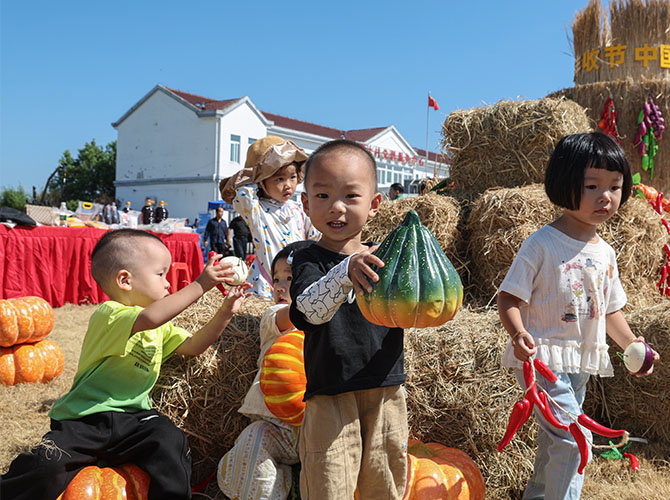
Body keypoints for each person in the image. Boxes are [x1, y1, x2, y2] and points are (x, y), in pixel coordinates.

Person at [0, 228, 249, 500]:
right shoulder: (112, 314)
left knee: (169, 441)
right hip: (85, 419)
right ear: (125, 280)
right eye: (160, 274)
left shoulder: (161, 328)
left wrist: (225, 312)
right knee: (47, 465)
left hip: (135, 421)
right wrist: (201, 284)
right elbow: (150, 318)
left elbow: (195, 346)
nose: (168, 283)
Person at [496, 132, 659, 500]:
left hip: (582, 361)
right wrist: (518, 332)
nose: (606, 196)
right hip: (546, 361)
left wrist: (632, 344)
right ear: (564, 184)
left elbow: (609, 311)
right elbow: (508, 296)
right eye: (592, 186)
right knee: (574, 439)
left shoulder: (607, 253)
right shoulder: (542, 243)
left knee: (557, 444)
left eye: (615, 187)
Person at [289, 139, 408, 499]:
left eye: (351, 197)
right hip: (330, 392)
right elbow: (308, 312)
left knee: (385, 484)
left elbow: (413, 309)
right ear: (306, 203)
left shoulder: (386, 258)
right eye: (323, 196)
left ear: (374, 206)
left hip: (386, 388)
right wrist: (345, 271)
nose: (336, 207)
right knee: (329, 484)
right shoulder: (307, 259)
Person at [217, 240, 315, 500]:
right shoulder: (274, 315)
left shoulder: (334, 325)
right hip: (275, 425)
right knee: (254, 440)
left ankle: (294, 483)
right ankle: (267, 492)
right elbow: (296, 316)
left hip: (317, 426)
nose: (280, 286)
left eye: (291, 278)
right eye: (276, 279)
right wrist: (324, 297)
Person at [220, 136, 319, 299]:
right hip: (267, 283)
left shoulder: (299, 210)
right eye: (279, 179)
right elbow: (243, 192)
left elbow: (314, 239)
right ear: (260, 182)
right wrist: (256, 174)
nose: (288, 184)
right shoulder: (256, 209)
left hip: (297, 282)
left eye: (292, 177)